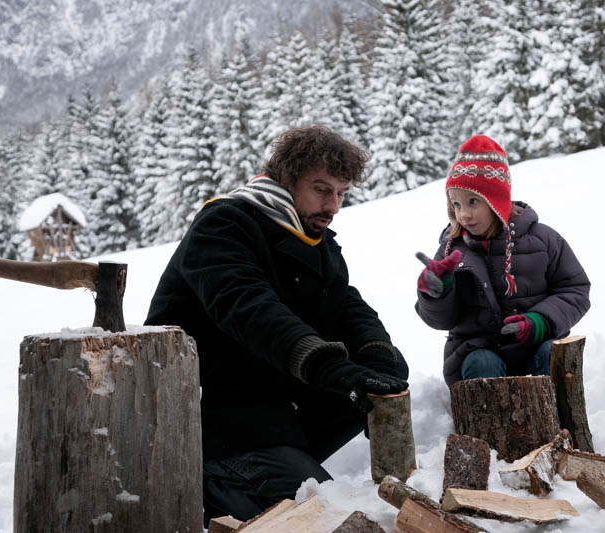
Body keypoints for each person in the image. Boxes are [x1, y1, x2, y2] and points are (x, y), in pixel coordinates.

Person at [145, 125, 409, 525]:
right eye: (322, 189)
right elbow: (249, 306)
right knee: (328, 520)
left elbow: (348, 306)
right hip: (214, 420)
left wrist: (378, 359)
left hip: (271, 408)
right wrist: (328, 366)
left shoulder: (313, 237)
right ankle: (214, 484)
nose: (333, 205)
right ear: (286, 179)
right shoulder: (224, 225)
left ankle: (285, 465)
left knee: (384, 369)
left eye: (341, 193)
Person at [415, 134, 590, 387]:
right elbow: (440, 320)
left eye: (473, 202)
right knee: (482, 364)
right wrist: (435, 294)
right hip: (478, 350)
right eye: (456, 204)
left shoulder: (544, 240)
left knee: (554, 355)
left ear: (496, 200)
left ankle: (557, 424)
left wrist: (540, 322)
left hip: (536, 344)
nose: (464, 214)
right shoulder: (451, 251)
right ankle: (487, 426)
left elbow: (575, 290)